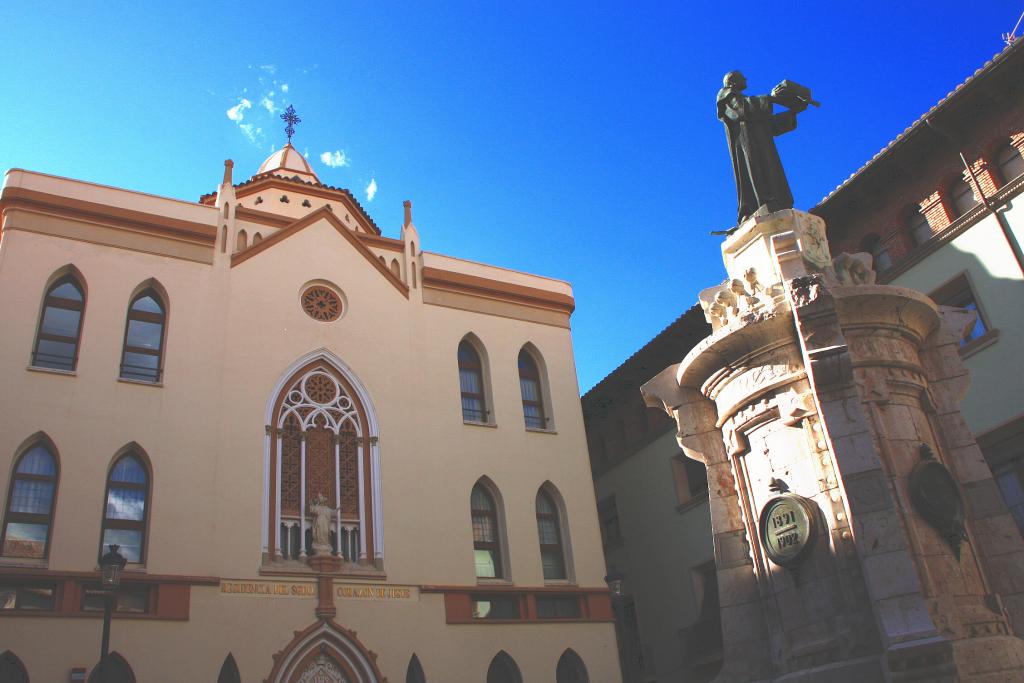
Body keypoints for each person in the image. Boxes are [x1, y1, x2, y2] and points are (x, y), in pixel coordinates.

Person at [717, 71, 806, 224]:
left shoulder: (746, 103)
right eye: (742, 77)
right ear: (732, 82)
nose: (746, 79)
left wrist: (793, 112)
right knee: (755, 173)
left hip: (762, 145)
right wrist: (771, 97)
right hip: (747, 146)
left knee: (770, 173)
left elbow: (769, 125)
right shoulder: (726, 95)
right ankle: (756, 206)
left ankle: (775, 202)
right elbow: (742, 109)